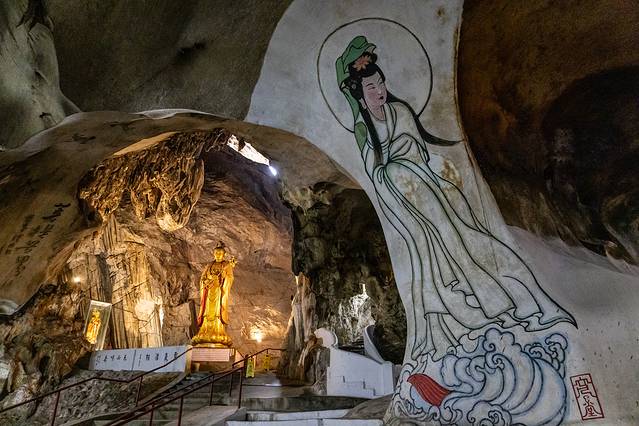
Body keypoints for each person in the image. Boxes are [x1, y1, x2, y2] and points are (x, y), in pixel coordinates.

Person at [336, 36, 575, 361]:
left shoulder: (400, 111)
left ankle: (523, 304)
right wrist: (395, 163)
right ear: (361, 97)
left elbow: (418, 152)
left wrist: (402, 157)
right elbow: (377, 174)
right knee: (437, 255)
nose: (378, 91)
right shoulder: (366, 131)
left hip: (430, 189)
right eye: (370, 88)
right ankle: (486, 312)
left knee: (468, 240)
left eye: (380, 83)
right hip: (410, 203)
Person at [192, 241, 236, 347]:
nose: (218, 255)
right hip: (209, 291)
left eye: (220, 253)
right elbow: (202, 278)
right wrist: (208, 280)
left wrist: (223, 276)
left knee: (217, 312)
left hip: (219, 292)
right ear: (213, 254)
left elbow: (230, 278)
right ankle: (205, 331)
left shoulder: (226, 265)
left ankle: (218, 331)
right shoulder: (209, 265)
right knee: (207, 312)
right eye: (216, 253)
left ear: (224, 254)